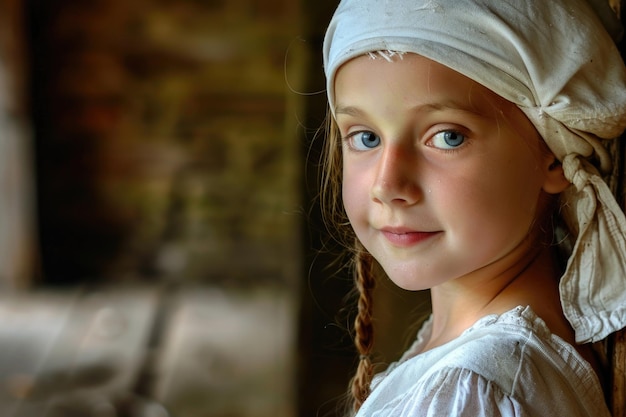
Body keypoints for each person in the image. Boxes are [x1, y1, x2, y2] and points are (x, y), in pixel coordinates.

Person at [320, 0, 626, 415]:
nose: (388, 186)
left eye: (447, 137)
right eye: (366, 137)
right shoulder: (474, 364)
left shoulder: (474, 388)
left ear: (554, 153)